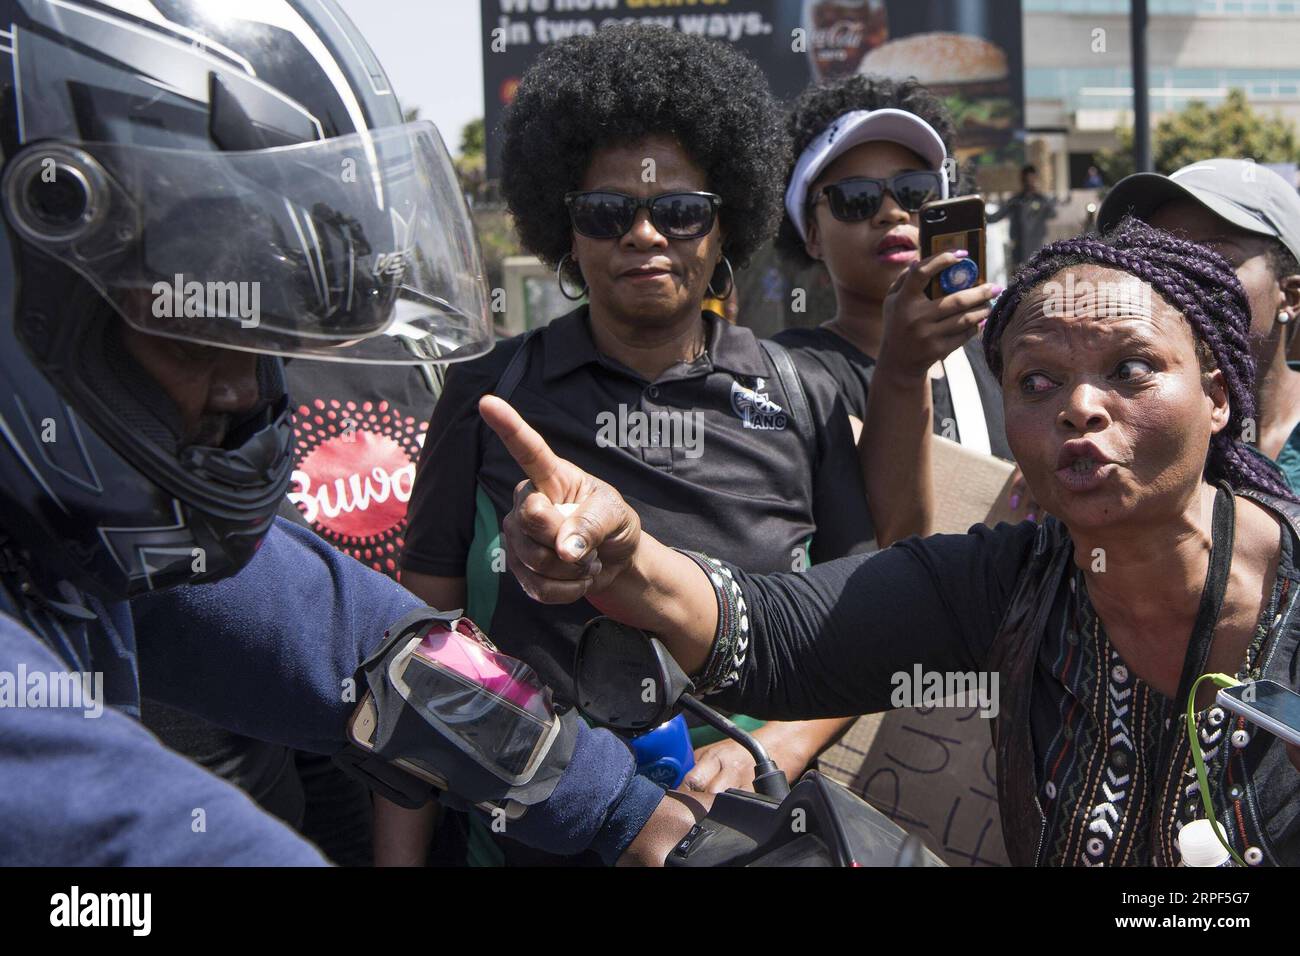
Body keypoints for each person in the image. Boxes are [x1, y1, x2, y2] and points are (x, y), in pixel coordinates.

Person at [0, 0, 698, 865]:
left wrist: (631, 814)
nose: (243, 392)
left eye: (264, 346)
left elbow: (351, 640)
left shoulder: (67, 530)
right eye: (192, 333)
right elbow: (111, 832)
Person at [485, 217, 1300, 866]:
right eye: (1038, 382)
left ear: (1219, 396)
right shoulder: (1007, 583)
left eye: (1131, 369)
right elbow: (772, 634)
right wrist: (626, 559)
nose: (1080, 406)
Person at [394, 25, 884, 866]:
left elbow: (866, 626)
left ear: (726, 223)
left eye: (682, 210)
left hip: (744, 834)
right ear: (569, 232)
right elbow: (417, 645)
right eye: (609, 211)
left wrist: (778, 748)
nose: (645, 234)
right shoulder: (490, 391)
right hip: (526, 837)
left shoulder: (803, 394)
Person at [772, 76, 1009, 466]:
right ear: (811, 236)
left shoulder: (1000, 360)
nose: (892, 212)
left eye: (915, 191)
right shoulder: (785, 375)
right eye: (856, 197)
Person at [1099, 160, 1300, 490]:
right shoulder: (1103, 434)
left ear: (1290, 296)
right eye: (1155, 261)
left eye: (1213, 260)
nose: (1175, 282)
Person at [989, 164, 1059, 271]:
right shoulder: (1015, 201)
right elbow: (994, 218)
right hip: (1019, 254)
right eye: (1026, 178)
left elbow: (1053, 214)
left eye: (1032, 178)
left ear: (1036, 178)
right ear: (1022, 179)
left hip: (1038, 252)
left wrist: (1045, 200)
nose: (1029, 181)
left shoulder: (1042, 200)